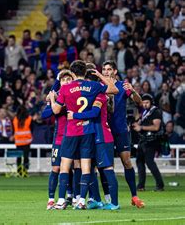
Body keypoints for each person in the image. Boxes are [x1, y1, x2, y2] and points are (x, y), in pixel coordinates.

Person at [51, 60, 118, 210]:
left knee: (65, 166)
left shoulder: (66, 88)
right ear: (85, 72)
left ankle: (61, 200)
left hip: (71, 131)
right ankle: (81, 200)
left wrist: (51, 99)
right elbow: (114, 89)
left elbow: (56, 111)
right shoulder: (94, 86)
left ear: (73, 73)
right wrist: (100, 75)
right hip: (88, 131)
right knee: (87, 167)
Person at [70, 65, 120, 210]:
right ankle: (96, 200)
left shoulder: (99, 95)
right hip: (91, 134)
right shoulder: (91, 95)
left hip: (102, 136)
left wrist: (75, 115)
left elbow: (94, 113)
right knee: (90, 168)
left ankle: (115, 203)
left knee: (107, 168)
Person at [102, 61, 145, 208]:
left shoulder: (122, 85)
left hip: (120, 130)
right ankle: (109, 199)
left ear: (114, 70)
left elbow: (139, 102)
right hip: (105, 130)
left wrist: (133, 91)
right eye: (104, 69)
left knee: (127, 162)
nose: (106, 72)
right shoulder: (100, 87)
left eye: (109, 69)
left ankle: (134, 196)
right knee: (108, 166)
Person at [42, 69, 73, 210]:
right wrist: (54, 102)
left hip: (74, 135)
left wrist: (55, 103)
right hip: (59, 137)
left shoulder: (74, 95)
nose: (66, 82)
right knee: (56, 168)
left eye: (68, 79)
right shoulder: (59, 96)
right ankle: (50, 198)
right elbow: (44, 114)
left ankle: (72, 196)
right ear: (59, 83)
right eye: (63, 80)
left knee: (73, 168)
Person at [133, 94, 165, 192]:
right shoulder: (144, 112)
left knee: (150, 162)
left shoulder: (156, 111)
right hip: (143, 140)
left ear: (151, 103)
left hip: (152, 140)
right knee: (139, 162)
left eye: (147, 102)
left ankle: (160, 185)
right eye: (143, 102)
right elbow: (141, 123)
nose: (145, 104)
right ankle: (141, 185)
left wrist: (141, 127)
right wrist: (137, 122)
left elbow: (156, 127)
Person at [12, 105, 32, 172]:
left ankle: (19, 171)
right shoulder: (29, 119)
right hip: (27, 141)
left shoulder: (15, 119)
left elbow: (14, 130)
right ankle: (25, 171)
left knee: (19, 157)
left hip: (18, 142)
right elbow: (32, 129)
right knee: (26, 157)